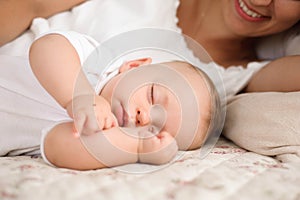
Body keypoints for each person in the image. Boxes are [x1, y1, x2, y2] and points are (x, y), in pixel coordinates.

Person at [23, 30, 218, 170]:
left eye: (154, 129)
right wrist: (79, 95)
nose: (145, 118)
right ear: (134, 66)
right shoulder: (96, 64)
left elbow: (58, 147)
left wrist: (137, 147)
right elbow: (47, 46)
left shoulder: (108, 134)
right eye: (152, 96)